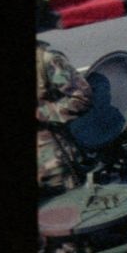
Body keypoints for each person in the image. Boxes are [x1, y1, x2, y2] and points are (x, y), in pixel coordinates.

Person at [36, 41, 94, 196]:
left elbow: (82, 99)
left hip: (53, 165)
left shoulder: (47, 60)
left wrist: (43, 114)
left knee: (70, 213)